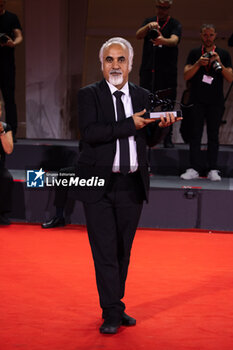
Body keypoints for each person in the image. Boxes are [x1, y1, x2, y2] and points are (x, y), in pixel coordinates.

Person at [76, 37, 181, 334]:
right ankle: (110, 311)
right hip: (98, 185)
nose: (115, 65)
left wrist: (160, 129)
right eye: (109, 60)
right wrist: (129, 124)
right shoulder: (88, 95)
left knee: (123, 251)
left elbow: (146, 140)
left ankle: (115, 303)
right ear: (101, 64)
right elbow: (90, 132)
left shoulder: (143, 96)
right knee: (105, 251)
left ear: (131, 64)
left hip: (132, 185)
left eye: (121, 60)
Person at [180, 24, 233, 181]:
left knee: (213, 135)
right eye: (205, 35)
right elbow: (186, 75)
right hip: (197, 100)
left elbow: (230, 77)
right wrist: (198, 64)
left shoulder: (223, 53)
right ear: (201, 35)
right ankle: (194, 168)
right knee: (195, 134)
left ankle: (213, 169)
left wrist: (219, 63)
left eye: (211, 35)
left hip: (215, 101)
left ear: (215, 35)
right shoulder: (195, 53)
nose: (208, 37)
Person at [136, 0, 182, 148]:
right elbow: (138, 35)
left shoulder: (175, 23)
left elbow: (174, 41)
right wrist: (148, 27)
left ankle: (167, 137)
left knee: (167, 105)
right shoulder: (149, 22)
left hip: (167, 72)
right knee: (145, 104)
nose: (161, 10)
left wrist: (163, 40)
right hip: (149, 70)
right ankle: (145, 136)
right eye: (159, 7)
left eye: (164, 8)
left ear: (169, 8)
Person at [0, 0, 23, 139]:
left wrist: (12, 43)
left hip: (6, 65)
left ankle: (11, 132)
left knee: (9, 98)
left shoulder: (11, 18)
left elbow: (19, 36)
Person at [0, 101, 14, 225]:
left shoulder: (5, 127)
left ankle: (2, 213)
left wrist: (1, 133)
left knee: (6, 178)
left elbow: (8, 150)